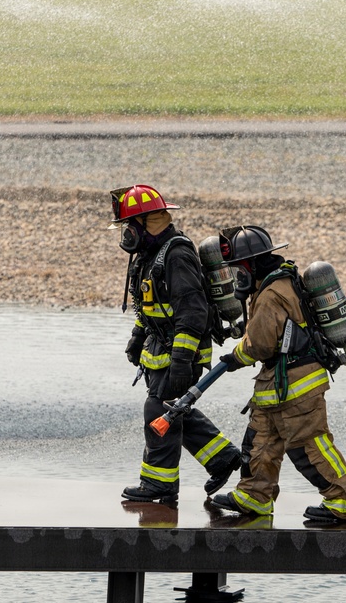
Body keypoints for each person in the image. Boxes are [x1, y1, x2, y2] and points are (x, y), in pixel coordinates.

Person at [208, 225, 346, 524]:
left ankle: (345, 499)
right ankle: (254, 496)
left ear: (252, 264)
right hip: (278, 384)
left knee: (309, 445)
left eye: (239, 269)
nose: (238, 277)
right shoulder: (278, 282)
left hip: (296, 385)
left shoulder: (270, 294)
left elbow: (262, 344)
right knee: (261, 440)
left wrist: (236, 356)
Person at [110, 184, 241, 504]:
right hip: (160, 347)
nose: (127, 233)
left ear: (147, 221)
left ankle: (160, 483)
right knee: (174, 409)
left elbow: (193, 311)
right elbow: (150, 303)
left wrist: (182, 359)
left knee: (158, 410)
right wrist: (137, 337)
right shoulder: (150, 254)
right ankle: (222, 457)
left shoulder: (177, 253)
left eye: (130, 225)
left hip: (181, 349)